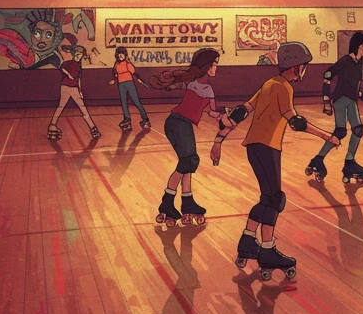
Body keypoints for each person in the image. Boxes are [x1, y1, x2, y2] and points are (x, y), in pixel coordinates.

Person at [211, 42, 338, 279]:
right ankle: (267, 250)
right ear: (296, 66)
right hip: (267, 147)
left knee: (267, 198)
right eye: (304, 66)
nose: (305, 70)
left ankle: (248, 242)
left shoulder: (269, 84)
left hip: (256, 147)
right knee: (274, 198)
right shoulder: (283, 88)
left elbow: (241, 111)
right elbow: (295, 121)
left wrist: (218, 140)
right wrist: (326, 136)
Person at [150, 48, 224, 226]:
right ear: (206, 66)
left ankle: (187, 202)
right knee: (189, 161)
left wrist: (170, 84)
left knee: (187, 163)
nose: (216, 69)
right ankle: (167, 203)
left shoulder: (194, 83)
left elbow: (210, 112)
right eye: (214, 65)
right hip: (178, 123)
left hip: (178, 124)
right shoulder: (205, 88)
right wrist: (223, 116)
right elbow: (213, 112)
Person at [306, 31, 363, 185]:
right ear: (362, 46)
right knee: (341, 132)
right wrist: (326, 101)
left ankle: (349, 162)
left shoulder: (360, 64)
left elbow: (355, 89)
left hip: (351, 100)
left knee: (358, 129)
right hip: (340, 100)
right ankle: (318, 160)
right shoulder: (345, 61)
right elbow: (327, 76)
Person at [46, 44, 100, 142]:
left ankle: (52, 125)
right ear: (74, 54)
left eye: (81, 55)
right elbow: (61, 67)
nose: (79, 56)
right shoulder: (68, 63)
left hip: (73, 88)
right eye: (77, 54)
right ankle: (92, 127)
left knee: (71, 107)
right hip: (66, 87)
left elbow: (79, 79)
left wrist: (80, 91)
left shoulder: (79, 66)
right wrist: (69, 75)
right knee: (77, 108)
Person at [108, 45, 151, 131]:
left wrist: (139, 80)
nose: (120, 56)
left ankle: (145, 119)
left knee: (136, 101)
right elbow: (115, 74)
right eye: (119, 54)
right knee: (124, 102)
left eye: (122, 54)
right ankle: (127, 120)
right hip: (121, 85)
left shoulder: (128, 64)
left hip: (129, 84)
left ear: (125, 55)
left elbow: (134, 73)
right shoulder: (116, 64)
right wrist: (113, 80)